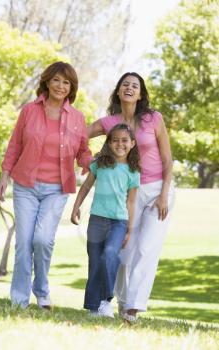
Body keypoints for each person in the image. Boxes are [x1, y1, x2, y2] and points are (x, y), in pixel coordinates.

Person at [0, 61, 92, 309]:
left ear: (71, 87)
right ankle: (19, 300)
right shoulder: (29, 110)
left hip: (57, 189)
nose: (61, 86)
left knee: (42, 240)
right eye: (57, 80)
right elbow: (15, 144)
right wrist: (5, 175)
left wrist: (88, 163)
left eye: (66, 82)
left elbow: (83, 149)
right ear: (47, 82)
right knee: (24, 241)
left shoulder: (77, 118)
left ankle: (41, 290)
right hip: (25, 185)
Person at [88, 72, 175, 322]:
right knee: (124, 250)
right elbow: (79, 135)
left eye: (134, 86)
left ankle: (133, 308)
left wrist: (164, 194)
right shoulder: (109, 122)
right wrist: (88, 158)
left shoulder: (154, 119)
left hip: (159, 189)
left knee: (147, 249)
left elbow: (168, 159)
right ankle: (121, 302)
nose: (129, 88)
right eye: (125, 84)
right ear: (118, 91)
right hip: (129, 193)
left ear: (141, 94)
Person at [71, 124, 140, 318]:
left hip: (118, 222)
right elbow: (85, 187)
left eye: (125, 140)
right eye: (115, 140)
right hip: (96, 221)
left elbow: (132, 202)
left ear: (132, 144)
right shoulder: (99, 164)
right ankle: (94, 307)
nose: (120, 144)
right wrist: (76, 207)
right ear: (109, 143)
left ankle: (106, 300)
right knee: (95, 262)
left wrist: (129, 229)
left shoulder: (133, 171)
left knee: (109, 254)